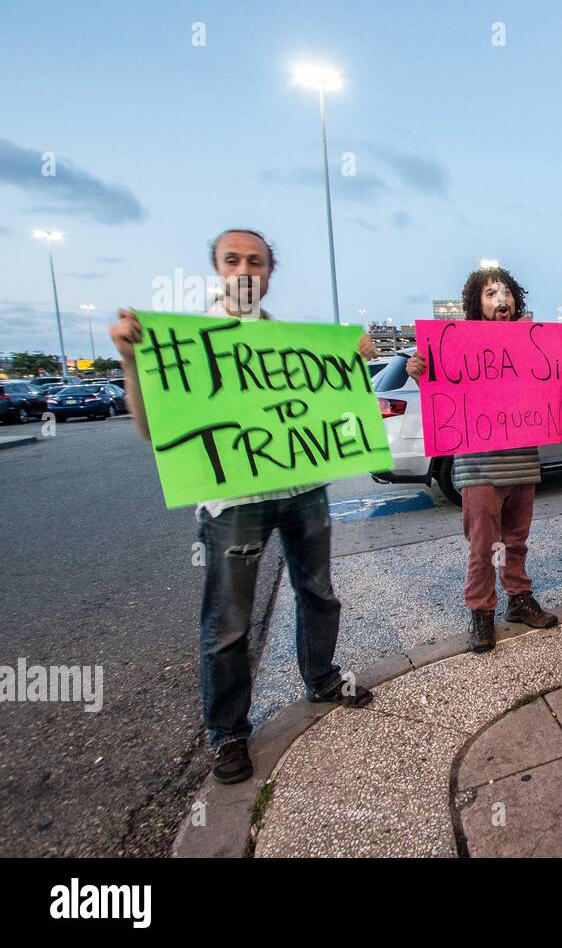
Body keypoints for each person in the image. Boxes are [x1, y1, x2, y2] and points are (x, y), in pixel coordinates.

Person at [108, 228, 373, 786]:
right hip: (233, 505)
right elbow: (149, 429)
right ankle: (228, 733)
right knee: (228, 623)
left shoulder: (294, 343)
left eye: (255, 261)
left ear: (271, 272)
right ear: (217, 270)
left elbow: (339, 411)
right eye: (233, 260)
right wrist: (132, 363)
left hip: (302, 489)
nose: (245, 270)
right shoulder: (185, 342)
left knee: (319, 594)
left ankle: (321, 677)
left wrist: (356, 366)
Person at [404, 266, 562, 653]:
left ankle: (518, 600)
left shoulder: (531, 345)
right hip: (480, 469)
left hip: (522, 462)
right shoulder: (457, 346)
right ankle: (481, 611)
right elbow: (442, 394)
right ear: (477, 304)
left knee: (515, 540)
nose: (501, 299)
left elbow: (552, 391)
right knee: (483, 546)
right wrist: (417, 373)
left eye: (506, 292)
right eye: (491, 293)